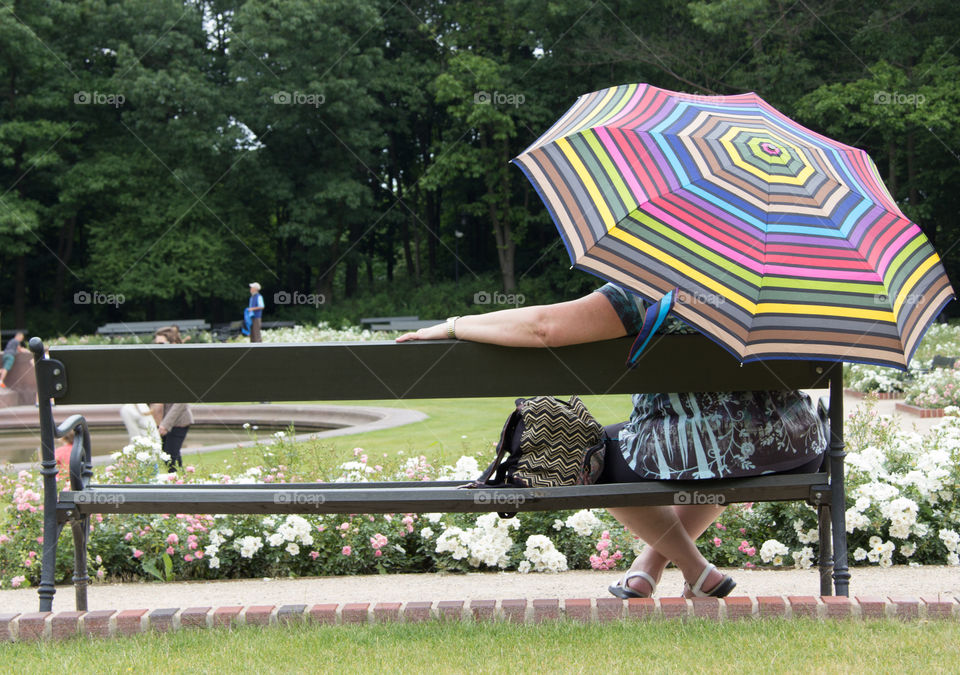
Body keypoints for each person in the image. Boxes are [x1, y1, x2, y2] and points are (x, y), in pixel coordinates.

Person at [397, 283, 827, 598]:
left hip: (694, 452)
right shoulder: (787, 288)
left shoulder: (651, 288)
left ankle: (689, 568)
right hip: (794, 451)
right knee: (715, 449)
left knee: (593, 453)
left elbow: (544, 328)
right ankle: (663, 571)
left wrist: (454, 325)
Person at [151, 328, 193, 471]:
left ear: (173, 343)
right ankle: (181, 483)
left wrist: (165, 425)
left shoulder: (180, 365)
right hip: (162, 420)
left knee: (170, 458)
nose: (158, 347)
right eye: (156, 344)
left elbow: (182, 400)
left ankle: (177, 486)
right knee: (171, 458)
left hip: (178, 421)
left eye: (162, 344)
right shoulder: (159, 363)